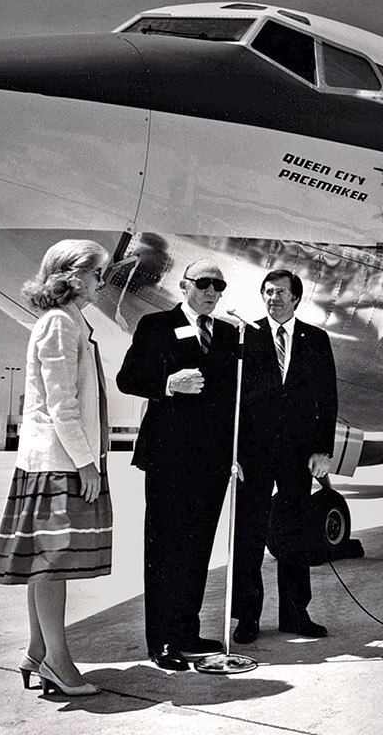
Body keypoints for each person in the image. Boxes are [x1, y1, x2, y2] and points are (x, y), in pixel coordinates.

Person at [0, 238, 112, 697]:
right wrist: (87, 463)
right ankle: (60, 663)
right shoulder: (60, 324)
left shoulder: (69, 322)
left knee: (45, 565)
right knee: (53, 567)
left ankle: (37, 651)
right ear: (75, 277)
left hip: (53, 461)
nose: (102, 283)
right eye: (97, 274)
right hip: (57, 463)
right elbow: (62, 405)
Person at [116, 258, 237, 670]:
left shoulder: (228, 333)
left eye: (218, 286)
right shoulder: (155, 325)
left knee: (198, 548)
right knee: (165, 548)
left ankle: (187, 629)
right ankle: (162, 640)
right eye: (204, 283)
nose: (211, 292)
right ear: (184, 286)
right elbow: (127, 379)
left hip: (213, 462)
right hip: (169, 458)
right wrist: (168, 384)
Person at [232, 269, 338, 644]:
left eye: (280, 292)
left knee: (295, 534)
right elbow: (236, 401)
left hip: (297, 456)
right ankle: (247, 617)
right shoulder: (246, 336)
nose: (273, 297)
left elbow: (327, 401)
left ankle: (295, 613)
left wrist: (323, 451)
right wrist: (235, 454)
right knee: (249, 536)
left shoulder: (317, 340)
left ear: (296, 298)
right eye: (268, 292)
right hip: (254, 456)